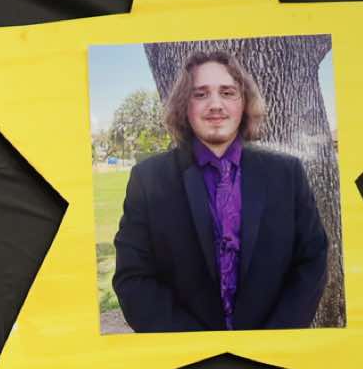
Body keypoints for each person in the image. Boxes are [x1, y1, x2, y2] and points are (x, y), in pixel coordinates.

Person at [112, 50, 329, 332]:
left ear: (244, 102)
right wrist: (197, 347)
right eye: (200, 94)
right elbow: (133, 278)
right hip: (187, 352)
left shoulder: (287, 175)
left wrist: (273, 339)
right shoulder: (148, 179)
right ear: (184, 105)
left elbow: (312, 261)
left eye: (227, 93)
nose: (215, 104)